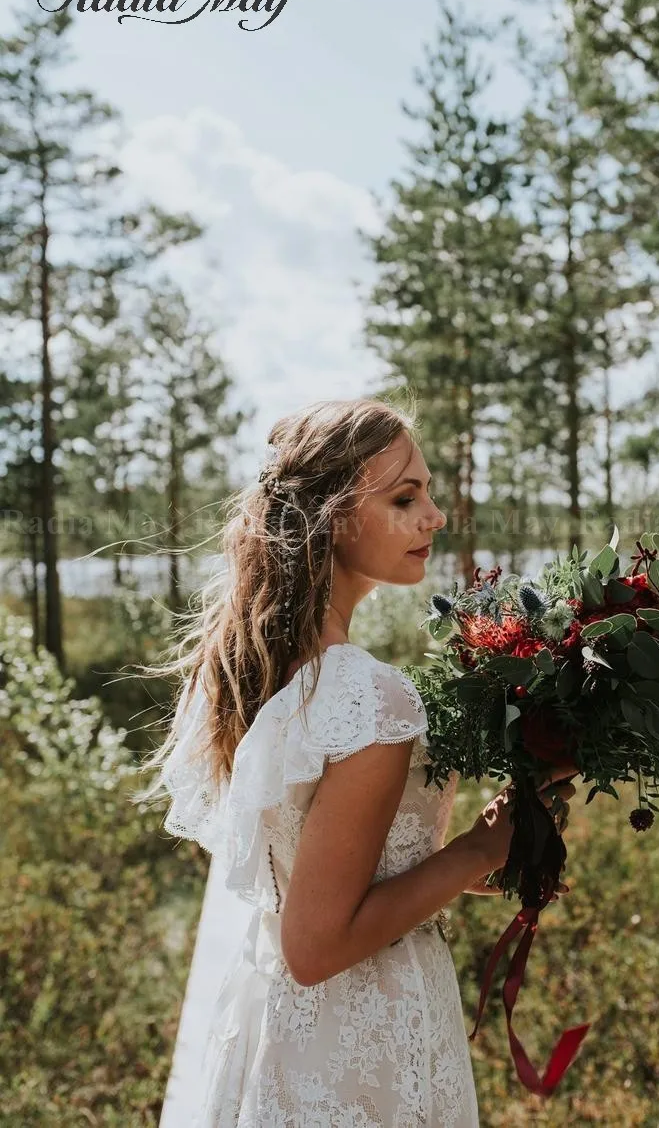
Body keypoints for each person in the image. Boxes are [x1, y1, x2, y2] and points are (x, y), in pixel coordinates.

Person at [134, 397, 576, 1127]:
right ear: (335, 517)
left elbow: (332, 886)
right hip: (359, 1045)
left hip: (290, 1031)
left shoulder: (280, 675)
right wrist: (479, 845)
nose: (434, 516)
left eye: (429, 493)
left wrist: (500, 844)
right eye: (406, 497)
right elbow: (318, 944)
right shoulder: (368, 698)